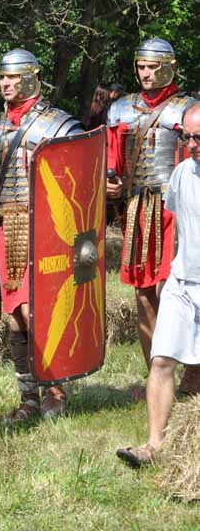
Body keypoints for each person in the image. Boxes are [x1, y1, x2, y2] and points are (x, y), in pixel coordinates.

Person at [0, 49, 83, 422]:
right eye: (2, 76)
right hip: (6, 226)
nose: (5, 83)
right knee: (15, 315)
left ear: (33, 77)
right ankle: (27, 397)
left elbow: (78, 178)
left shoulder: (59, 125)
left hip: (47, 229)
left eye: (14, 77)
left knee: (38, 311)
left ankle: (55, 389)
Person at [106, 39, 198, 381]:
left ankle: (193, 374)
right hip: (138, 210)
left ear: (169, 67)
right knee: (143, 294)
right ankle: (155, 377)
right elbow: (111, 159)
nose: (146, 73)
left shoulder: (188, 109)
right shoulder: (122, 109)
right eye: (142, 66)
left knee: (179, 290)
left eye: (153, 67)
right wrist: (109, 181)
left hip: (177, 210)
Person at [117, 103, 200, 468]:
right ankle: (153, 447)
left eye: (199, 137)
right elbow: (181, 226)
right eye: (187, 136)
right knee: (162, 360)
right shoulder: (182, 173)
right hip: (184, 282)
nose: (192, 144)